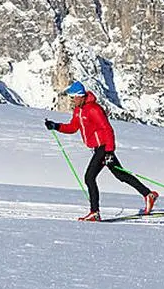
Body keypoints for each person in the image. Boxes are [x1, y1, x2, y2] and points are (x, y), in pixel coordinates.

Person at [45, 81, 158, 221]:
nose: (72, 100)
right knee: (120, 174)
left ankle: (94, 212)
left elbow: (107, 129)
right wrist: (55, 126)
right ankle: (148, 195)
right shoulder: (78, 111)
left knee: (89, 177)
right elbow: (73, 127)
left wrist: (109, 152)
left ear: (80, 96)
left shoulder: (93, 109)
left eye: (73, 97)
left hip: (103, 147)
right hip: (98, 148)